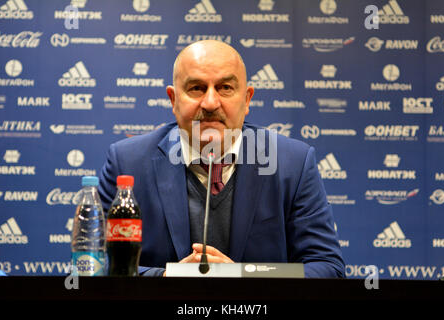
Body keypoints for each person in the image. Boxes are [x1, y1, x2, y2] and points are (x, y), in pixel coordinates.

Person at [98, 40, 345, 278]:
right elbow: (95, 263)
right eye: (196, 88)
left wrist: (240, 277)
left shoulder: (292, 164)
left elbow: (326, 267)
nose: (210, 102)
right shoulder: (128, 162)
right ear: (173, 100)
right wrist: (168, 277)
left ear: (247, 99)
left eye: (225, 88)